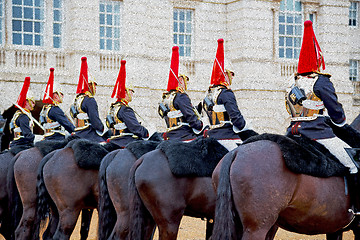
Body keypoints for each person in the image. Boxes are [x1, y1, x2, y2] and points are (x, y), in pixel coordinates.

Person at [285, 20, 360, 214]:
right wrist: (340, 123)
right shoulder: (321, 81)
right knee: (354, 164)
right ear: (318, 59)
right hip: (317, 133)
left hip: (292, 132)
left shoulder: (293, 81)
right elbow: (337, 114)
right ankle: (357, 209)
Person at [203, 38, 256, 151]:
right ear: (225, 74)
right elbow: (238, 121)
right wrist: (247, 125)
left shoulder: (208, 94)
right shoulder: (226, 93)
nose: (232, 77)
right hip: (226, 138)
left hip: (211, 136)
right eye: (231, 74)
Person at [158, 46, 204, 141]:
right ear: (180, 80)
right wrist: (201, 125)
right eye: (185, 80)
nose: (186, 83)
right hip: (184, 136)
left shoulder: (166, 98)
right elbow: (191, 119)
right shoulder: (181, 97)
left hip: (170, 136)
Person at [106, 60, 149, 148]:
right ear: (126, 93)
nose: (132, 94)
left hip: (114, 139)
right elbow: (135, 128)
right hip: (126, 141)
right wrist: (147, 132)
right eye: (131, 91)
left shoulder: (114, 107)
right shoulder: (125, 109)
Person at [70, 57, 107, 142]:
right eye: (94, 85)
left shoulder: (77, 99)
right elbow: (95, 121)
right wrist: (102, 128)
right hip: (88, 133)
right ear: (89, 85)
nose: (95, 88)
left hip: (77, 132)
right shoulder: (90, 100)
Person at [40, 68, 75, 140]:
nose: (62, 96)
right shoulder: (55, 109)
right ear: (55, 95)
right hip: (57, 137)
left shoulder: (45, 108)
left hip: (47, 136)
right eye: (61, 94)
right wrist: (75, 132)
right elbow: (66, 124)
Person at [9, 77, 35, 149]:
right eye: (32, 102)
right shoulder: (23, 117)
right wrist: (38, 138)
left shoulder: (17, 114)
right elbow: (27, 135)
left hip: (16, 142)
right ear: (26, 102)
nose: (33, 104)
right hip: (22, 144)